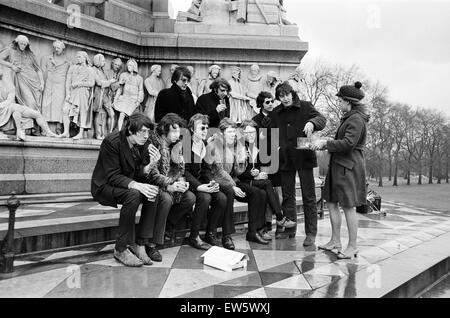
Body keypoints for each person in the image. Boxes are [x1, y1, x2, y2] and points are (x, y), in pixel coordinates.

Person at [91, 112, 161, 267]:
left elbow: (137, 173)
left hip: (126, 184)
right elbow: (112, 176)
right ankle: (121, 248)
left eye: (148, 132)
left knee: (153, 192)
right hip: (104, 186)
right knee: (134, 194)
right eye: (143, 131)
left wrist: (150, 166)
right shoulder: (112, 142)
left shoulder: (143, 144)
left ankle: (140, 244)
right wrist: (136, 185)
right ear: (130, 130)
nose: (146, 136)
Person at [311, 82, 370, 259]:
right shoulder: (349, 117)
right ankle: (335, 241)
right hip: (338, 166)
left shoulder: (357, 119)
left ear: (348, 102)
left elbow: (349, 144)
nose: (339, 103)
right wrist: (327, 141)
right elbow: (344, 140)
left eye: (340, 100)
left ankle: (352, 246)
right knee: (331, 203)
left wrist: (326, 143)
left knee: (348, 207)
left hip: (348, 168)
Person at [270, 81, 326, 245]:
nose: (285, 98)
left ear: (292, 93)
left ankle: (311, 233)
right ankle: (290, 229)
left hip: (304, 156)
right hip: (285, 158)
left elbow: (321, 119)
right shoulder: (276, 111)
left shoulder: (306, 106)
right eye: (281, 96)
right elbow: (268, 130)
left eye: (287, 94)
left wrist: (312, 123)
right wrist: (277, 146)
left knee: (309, 196)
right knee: (288, 196)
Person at [204, 118, 269, 245]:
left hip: (230, 179)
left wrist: (242, 159)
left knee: (256, 192)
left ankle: (252, 232)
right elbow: (219, 171)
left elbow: (238, 172)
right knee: (229, 192)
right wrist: (233, 186)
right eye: (229, 132)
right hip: (215, 179)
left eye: (234, 131)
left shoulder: (235, 145)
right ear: (222, 133)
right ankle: (226, 235)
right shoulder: (214, 145)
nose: (233, 134)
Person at [146, 113, 197, 253]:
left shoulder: (175, 146)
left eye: (178, 131)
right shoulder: (154, 143)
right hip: (152, 184)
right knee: (166, 198)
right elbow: (152, 174)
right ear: (164, 128)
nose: (177, 134)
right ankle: (152, 244)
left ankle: (167, 226)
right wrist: (170, 185)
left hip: (168, 184)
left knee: (190, 197)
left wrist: (182, 182)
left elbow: (179, 172)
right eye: (173, 130)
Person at [185, 113, 236, 249]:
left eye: (207, 128)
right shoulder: (185, 145)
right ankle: (194, 236)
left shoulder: (204, 144)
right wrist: (199, 186)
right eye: (202, 128)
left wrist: (210, 182)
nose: (205, 131)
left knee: (221, 198)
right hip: (186, 183)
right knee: (205, 197)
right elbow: (185, 172)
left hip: (202, 181)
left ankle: (211, 233)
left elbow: (206, 169)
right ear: (191, 129)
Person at [238, 120, 296, 237]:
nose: (250, 135)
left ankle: (261, 229)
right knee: (266, 184)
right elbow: (237, 172)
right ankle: (279, 217)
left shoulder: (255, 146)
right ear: (242, 133)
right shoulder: (239, 147)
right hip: (240, 182)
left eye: (253, 133)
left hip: (252, 181)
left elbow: (257, 166)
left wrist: (259, 173)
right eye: (247, 132)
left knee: (263, 192)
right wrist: (253, 174)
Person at [0, 35, 44, 134]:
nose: (23, 46)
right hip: (21, 79)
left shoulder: (30, 54)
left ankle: (34, 129)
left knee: (36, 104)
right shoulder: (10, 50)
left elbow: (38, 69)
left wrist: (42, 82)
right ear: (17, 42)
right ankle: (29, 128)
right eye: (21, 44)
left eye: (25, 44)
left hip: (34, 82)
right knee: (30, 103)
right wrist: (11, 66)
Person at [0, 70, 58, 140]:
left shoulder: (9, 86)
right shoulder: (8, 86)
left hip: (11, 107)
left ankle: (48, 132)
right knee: (18, 111)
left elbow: (10, 100)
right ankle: (19, 131)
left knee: (36, 114)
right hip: (9, 108)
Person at [62, 51, 95, 140]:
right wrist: (67, 93)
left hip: (83, 93)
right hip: (73, 93)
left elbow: (91, 83)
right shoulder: (72, 68)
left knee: (83, 113)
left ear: (85, 58)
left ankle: (80, 133)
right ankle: (66, 132)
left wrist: (79, 84)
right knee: (65, 110)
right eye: (77, 57)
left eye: (79, 57)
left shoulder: (90, 70)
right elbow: (68, 82)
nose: (78, 58)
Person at [40, 40, 71, 135]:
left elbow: (70, 77)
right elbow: (41, 71)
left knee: (59, 105)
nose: (56, 49)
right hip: (49, 84)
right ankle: (45, 128)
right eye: (55, 47)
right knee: (46, 104)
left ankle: (59, 127)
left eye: (59, 48)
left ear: (63, 49)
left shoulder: (68, 62)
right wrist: (42, 83)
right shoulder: (46, 58)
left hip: (61, 86)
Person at [113, 59, 144, 131]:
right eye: (128, 65)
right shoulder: (123, 75)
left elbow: (140, 90)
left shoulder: (139, 78)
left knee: (133, 118)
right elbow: (120, 88)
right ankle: (119, 132)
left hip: (134, 100)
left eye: (130, 65)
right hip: (125, 98)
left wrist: (138, 101)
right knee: (122, 115)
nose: (128, 67)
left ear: (134, 66)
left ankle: (130, 133)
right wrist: (116, 99)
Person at [92, 54, 116, 139]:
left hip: (105, 95)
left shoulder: (102, 70)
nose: (105, 62)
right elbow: (98, 83)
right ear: (98, 61)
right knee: (98, 114)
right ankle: (98, 134)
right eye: (103, 61)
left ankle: (109, 134)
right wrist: (110, 81)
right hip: (98, 95)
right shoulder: (93, 70)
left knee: (111, 114)